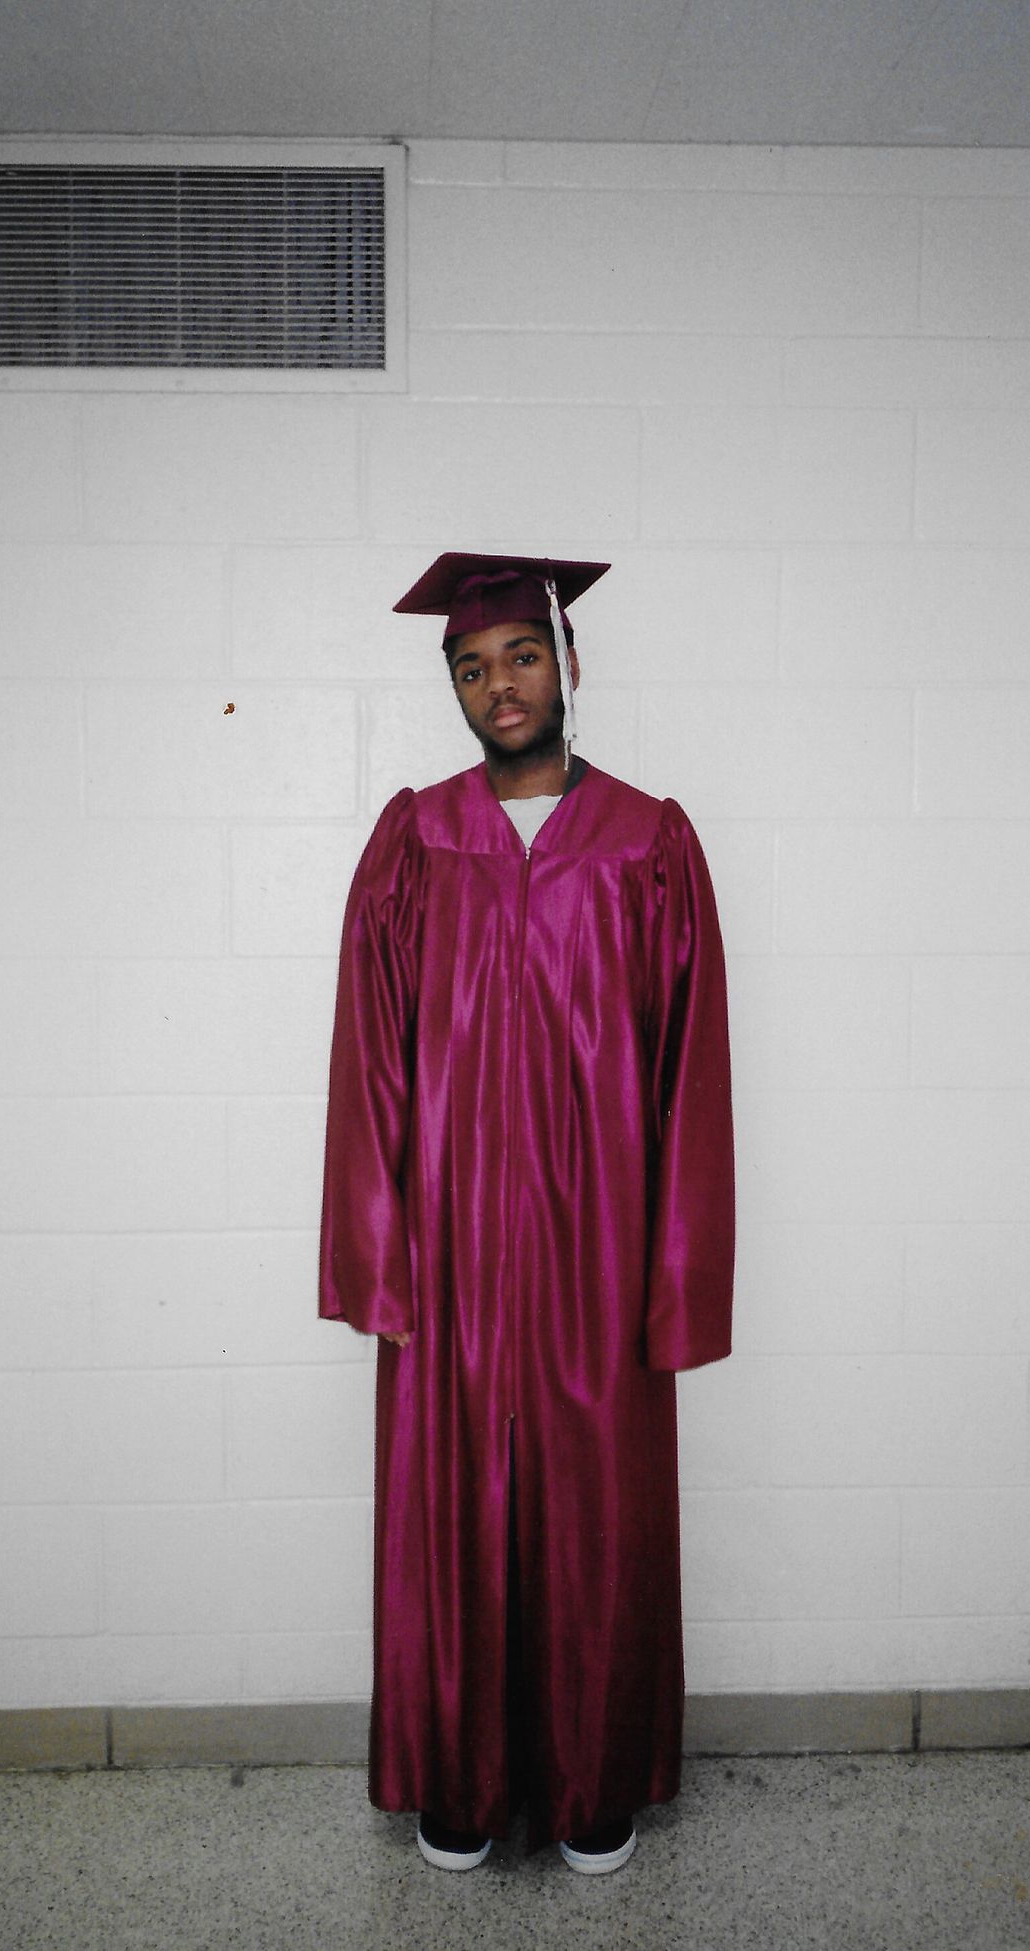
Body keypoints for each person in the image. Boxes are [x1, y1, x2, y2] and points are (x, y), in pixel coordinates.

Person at [319, 551, 734, 1874]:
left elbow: (692, 1074)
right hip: (448, 1260)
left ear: (568, 663)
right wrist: (380, 1258)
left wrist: (676, 1276)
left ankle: (591, 1785)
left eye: (519, 657)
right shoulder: (414, 840)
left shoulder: (650, 843)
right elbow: (370, 1057)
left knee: (595, 1518)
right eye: (471, 665)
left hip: (600, 1258)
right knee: (449, 1517)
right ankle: (457, 1779)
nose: (498, 684)